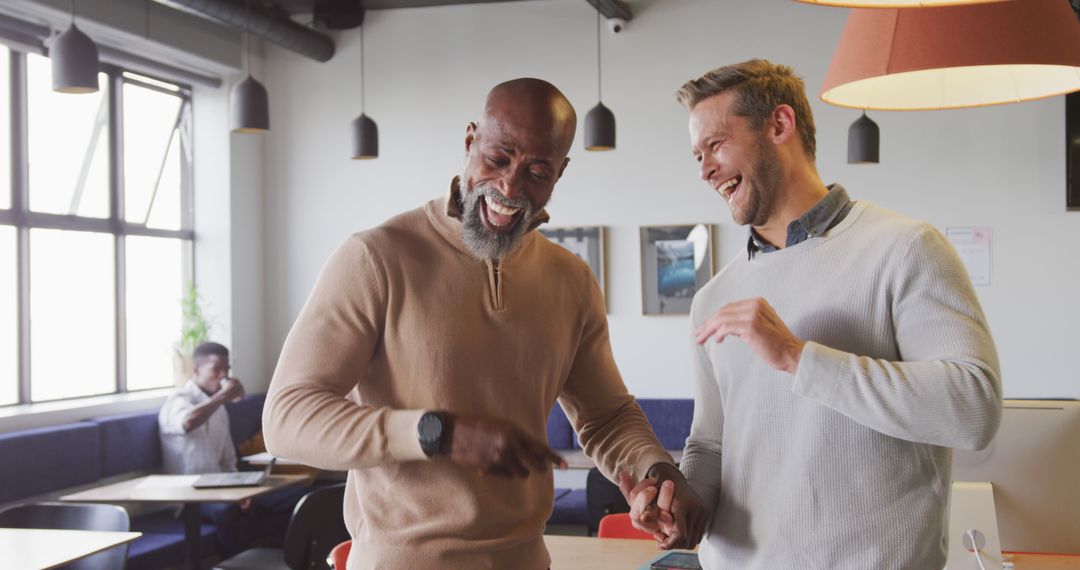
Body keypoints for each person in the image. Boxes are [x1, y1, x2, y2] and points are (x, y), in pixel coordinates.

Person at [262, 78, 702, 569]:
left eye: (537, 171)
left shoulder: (570, 279)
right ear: (470, 139)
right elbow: (286, 420)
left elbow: (607, 417)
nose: (510, 187)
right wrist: (436, 433)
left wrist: (657, 471)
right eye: (497, 158)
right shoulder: (376, 257)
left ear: (561, 170)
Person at [624, 59, 1003, 569]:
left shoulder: (907, 248)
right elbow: (711, 444)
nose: (705, 170)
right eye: (698, 155)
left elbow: (973, 408)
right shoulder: (713, 297)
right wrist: (680, 505)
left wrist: (799, 358)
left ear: (780, 125)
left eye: (716, 145)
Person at [159, 341, 304, 558]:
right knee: (229, 512)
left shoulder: (219, 410)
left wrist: (243, 490)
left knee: (301, 500)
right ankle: (237, 563)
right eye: (216, 369)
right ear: (196, 370)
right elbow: (187, 422)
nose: (223, 376)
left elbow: (228, 460)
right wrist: (223, 397)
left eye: (226, 369)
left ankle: (284, 560)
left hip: (224, 487)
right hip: (190, 496)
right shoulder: (178, 400)